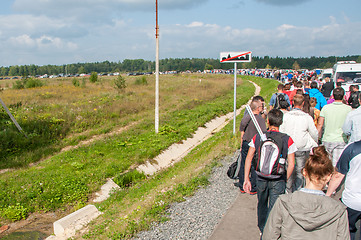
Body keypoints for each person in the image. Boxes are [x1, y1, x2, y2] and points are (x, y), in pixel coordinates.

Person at [263, 146, 350, 240]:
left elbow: (269, 236)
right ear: (329, 176)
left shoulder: (284, 202)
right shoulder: (339, 211)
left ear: (304, 172)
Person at [243, 109, 296, 234]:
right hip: (278, 179)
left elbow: (249, 157)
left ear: (268, 120)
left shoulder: (258, 137)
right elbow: (292, 164)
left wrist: (247, 178)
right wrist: (285, 179)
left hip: (260, 177)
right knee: (274, 207)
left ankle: (262, 228)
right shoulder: (287, 139)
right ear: (281, 122)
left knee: (261, 204)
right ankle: (270, 231)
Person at [280, 94, 318, 192]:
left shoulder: (286, 116)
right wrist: (316, 141)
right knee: (300, 171)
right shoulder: (307, 117)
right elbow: (314, 132)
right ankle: (298, 190)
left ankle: (288, 189)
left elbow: (281, 130)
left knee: (288, 168)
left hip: (288, 146)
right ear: (303, 103)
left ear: (292, 102)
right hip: (302, 146)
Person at [326, 140, 361, 240]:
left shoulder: (353, 149)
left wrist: (328, 195)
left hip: (352, 200)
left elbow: (338, 175)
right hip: (352, 199)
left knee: (348, 231)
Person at [238, 97, 267, 194]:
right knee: (255, 165)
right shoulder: (260, 119)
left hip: (246, 141)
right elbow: (263, 132)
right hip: (255, 144)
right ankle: (254, 187)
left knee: (244, 163)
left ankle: (242, 185)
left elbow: (242, 126)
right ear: (258, 108)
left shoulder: (247, 117)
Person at [317, 87, 352, 166]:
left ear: (332, 96)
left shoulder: (326, 108)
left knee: (326, 165)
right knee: (336, 165)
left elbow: (320, 124)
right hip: (341, 139)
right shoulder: (348, 109)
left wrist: (317, 137)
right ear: (343, 96)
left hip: (327, 139)